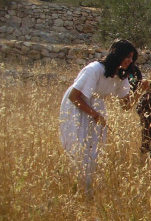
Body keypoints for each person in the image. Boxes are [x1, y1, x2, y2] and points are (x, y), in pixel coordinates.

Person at [59, 39, 146, 196]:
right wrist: (95, 114)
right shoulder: (94, 69)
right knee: (78, 146)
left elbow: (126, 106)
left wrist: (140, 90)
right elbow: (74, 96)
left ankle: (88, 190)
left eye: (132, 57)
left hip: (96, 108)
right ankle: (77, 188)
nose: (130, 60)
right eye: (127, 56)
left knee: (94, 148)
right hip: (77, 107)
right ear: (116, 55)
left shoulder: (121, 76)